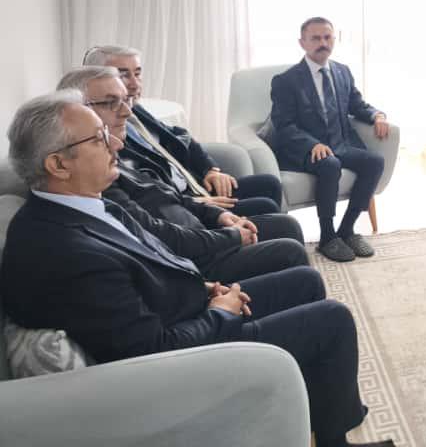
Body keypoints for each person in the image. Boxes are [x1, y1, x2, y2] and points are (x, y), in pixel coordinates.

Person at [0, 91, 393, 447]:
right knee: (333, 319)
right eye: (98, 139)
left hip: (185, 308)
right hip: (183, 361)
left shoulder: (86, 203)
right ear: (58, 164)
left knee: (304, 281)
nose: (116, 144)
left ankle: (319, 421)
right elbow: (153, 351)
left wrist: (205, 287)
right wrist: (220, 313)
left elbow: (151, 253)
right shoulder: (65, 251)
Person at [60, 66, 308, 283]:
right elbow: (155, 233)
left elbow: (164, 188)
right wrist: (229, 237)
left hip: (197, 227)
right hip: (192, 259)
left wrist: (217, 214)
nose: (127, 110)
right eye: (111, 102)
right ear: (80, 112)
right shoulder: (95, 174)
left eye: (125, 98)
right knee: (293, 255)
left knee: (283, 222)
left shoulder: (116, 145)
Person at [83, 44, 283, 215]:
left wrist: (210, 170)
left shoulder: (135, 109)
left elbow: (179, 135)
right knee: (266, 208)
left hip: (196, 187)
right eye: (123, 75)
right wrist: (190, 203)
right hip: (179, 205)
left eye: (137, 73)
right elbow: (140, 190)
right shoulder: (101, 132)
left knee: (269, 184)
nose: (135, 85)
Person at [269, 17, 391, 263]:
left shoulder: (342, 71)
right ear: (302, 43)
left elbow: (357, 105)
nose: (322, 43)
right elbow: (283, 125)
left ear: (334, 40)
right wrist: (312, 144)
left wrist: (377, 115)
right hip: (305, 149)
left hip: (340, 143)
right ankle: (327, 236)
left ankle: (347, 230)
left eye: (327, 37)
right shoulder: (286, 80)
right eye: (315, 38)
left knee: (375, 162)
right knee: (329, 164)